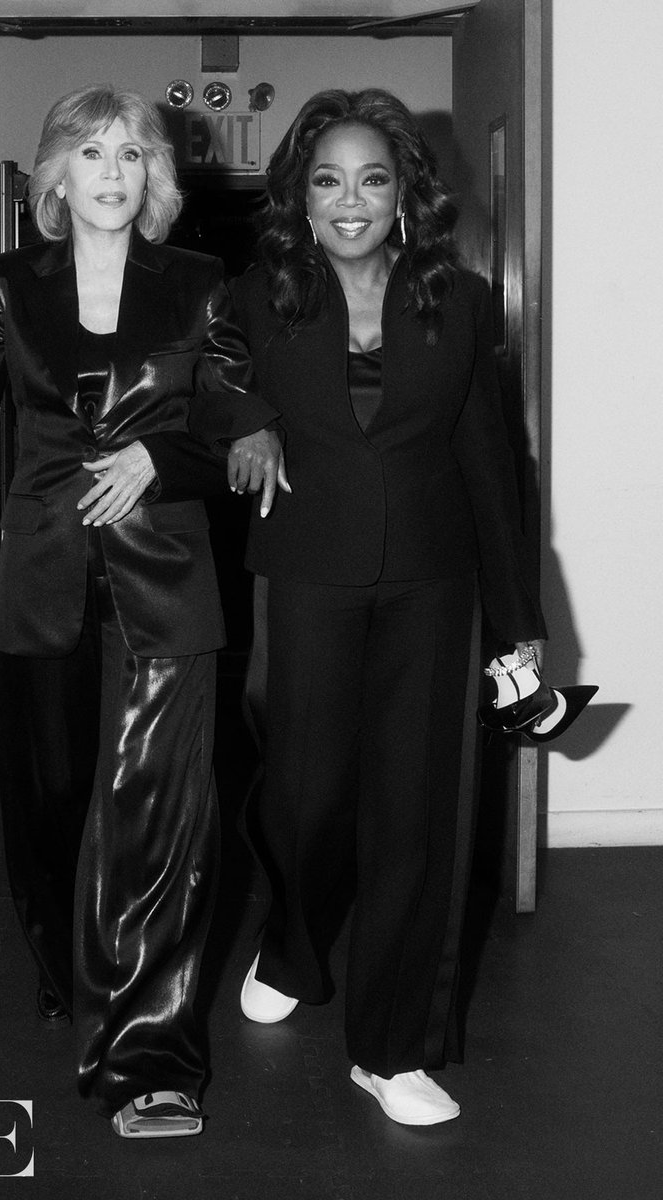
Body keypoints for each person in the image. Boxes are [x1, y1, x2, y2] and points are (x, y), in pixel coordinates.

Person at [0, 85, 280, 1139]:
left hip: (167, 585)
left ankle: (153, 1059)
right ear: (54, 175)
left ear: (155, 178)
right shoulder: (10, 288)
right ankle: (68, 959)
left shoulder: (197, 285)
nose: (111, 170)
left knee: (160, 823)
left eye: (132, 154)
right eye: (90, 152)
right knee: (47, 811)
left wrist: (166, 452)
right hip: (42, 579)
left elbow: (238, 419)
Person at [228, 88, 547, 1126]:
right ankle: (295, 937)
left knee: (415, 812)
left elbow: (488, 463)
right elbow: (205, 383)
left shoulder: (457, 299)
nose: (350, 200)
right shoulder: (258, 296)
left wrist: (519, 622)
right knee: (305, 799)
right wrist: (247, 423)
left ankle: (392, 1046)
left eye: (373, 177)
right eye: (328, 180)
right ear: (300, 200)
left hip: (431, 578)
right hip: (308, 570)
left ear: (407, 193)